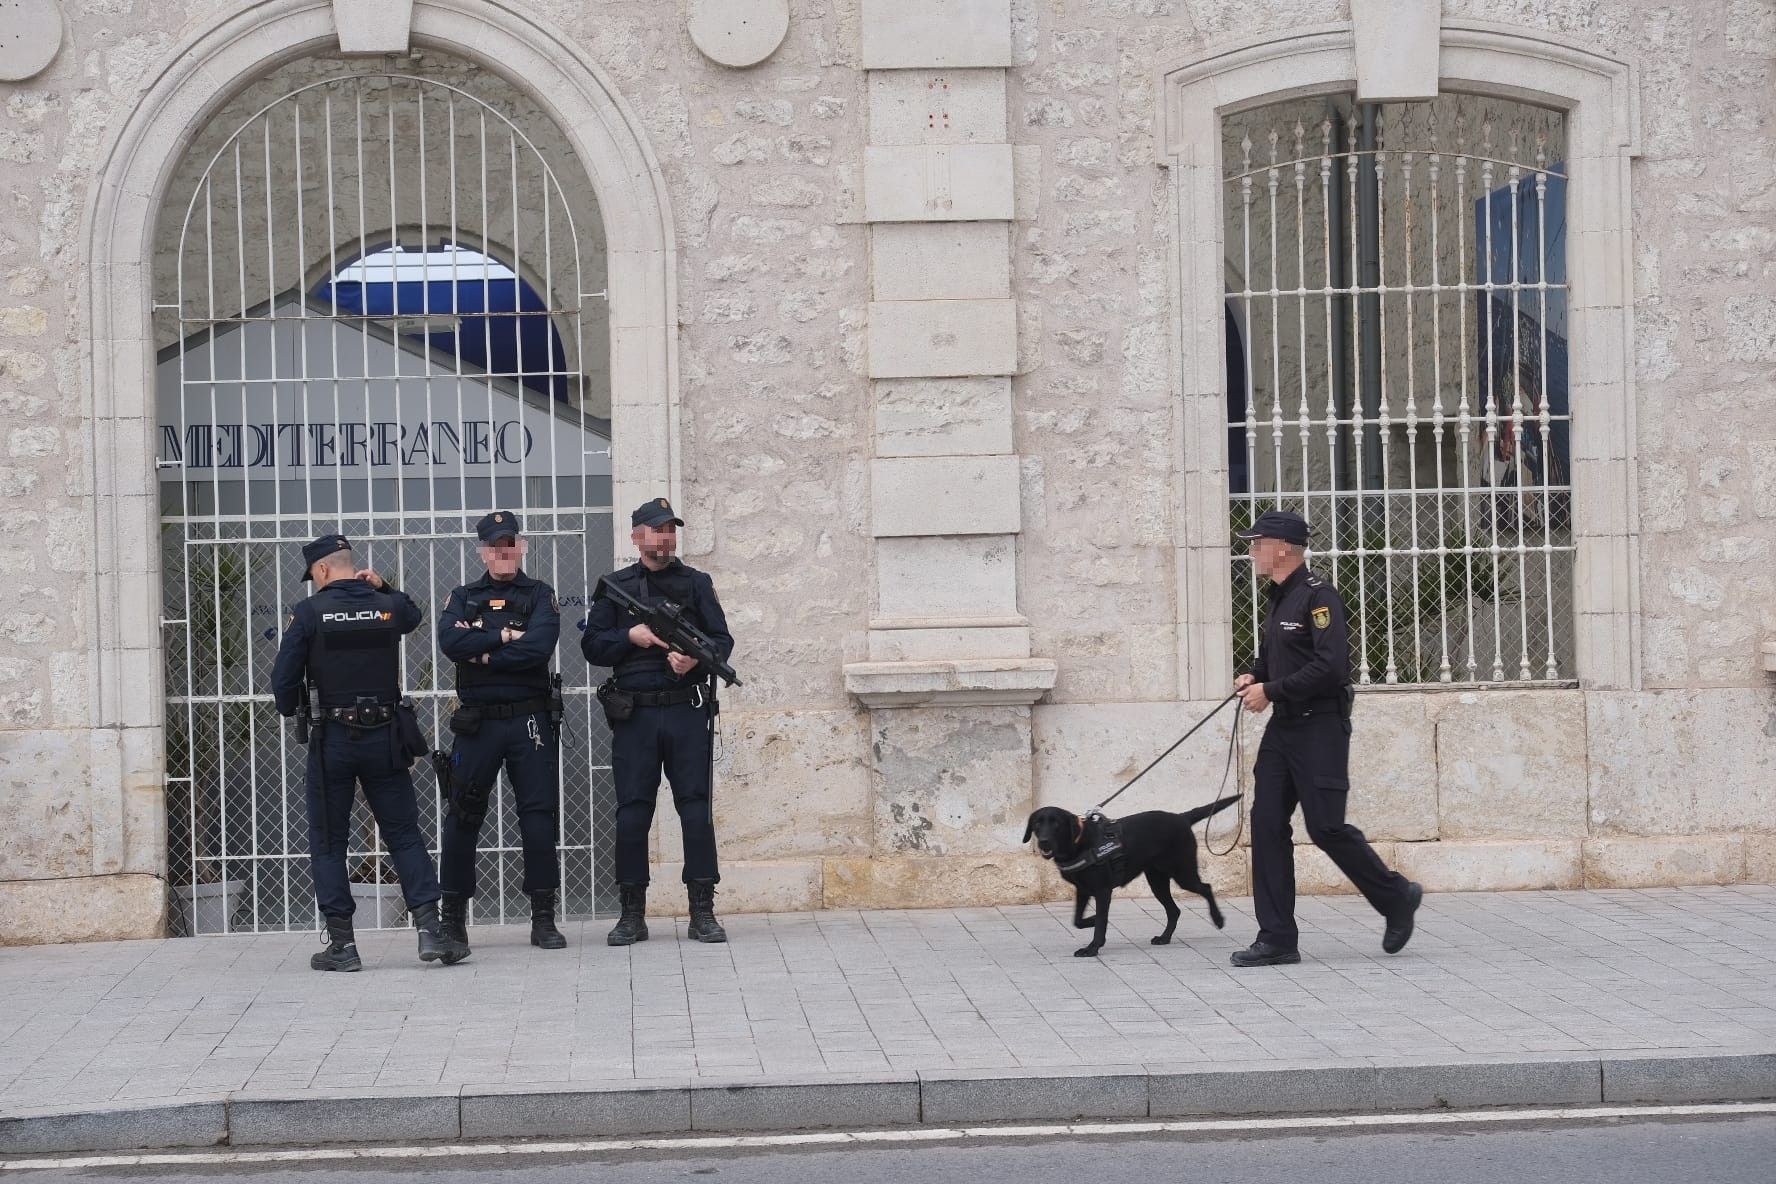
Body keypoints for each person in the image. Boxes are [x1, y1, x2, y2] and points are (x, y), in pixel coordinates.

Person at [1230, 509, 1423, 967]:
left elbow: (1330, 667)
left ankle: (1396, 897)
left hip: (1320, 727)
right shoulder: (1278, 599)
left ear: (1282, 548)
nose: (1252, 551)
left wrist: (1270, 690)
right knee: (1267, 823)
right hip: (1285, 729)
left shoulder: (1320, 598)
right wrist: (1254, 676)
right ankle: (1276, 937)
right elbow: (1275, 660)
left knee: (1326, 827)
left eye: (1257, 543)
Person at [271, 533, 467, 971]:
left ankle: (343, 945)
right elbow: (414, 615)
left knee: (328, 841)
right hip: (384, 736)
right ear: (350, 564)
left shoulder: (308, 612)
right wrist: (383, 587)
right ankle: (431, 933)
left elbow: (283, 683)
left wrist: (293, 709)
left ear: (322, 570)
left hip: (332, 741)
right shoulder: (387, 606)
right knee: (402, 834)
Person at [582, 497, 735, 946]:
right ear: (637, 537)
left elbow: (722, 641)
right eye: (656, 529)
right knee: (632, 814)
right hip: (636, 716)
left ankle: (702, 910)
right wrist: (631, 636)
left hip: (686, 710)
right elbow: (593, 646)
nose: (665, 537)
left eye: (670, 529)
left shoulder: (696, 583)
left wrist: (696, 664)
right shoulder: (616, 586)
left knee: (695, 810)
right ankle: (632, 912)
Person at [435, 511, 566, 955]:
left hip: (527, 718)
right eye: (494, 545)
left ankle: (543, 917)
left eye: (509, 543)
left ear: (522, 546)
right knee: (462, 814)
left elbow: (538, 649)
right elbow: (450, 644)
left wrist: (486, 650)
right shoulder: (463, 595)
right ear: (482, 551)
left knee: (537, 813)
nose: (502, 552)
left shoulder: (539, 594)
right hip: (478, 721)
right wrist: (507, 636)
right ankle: (452, 919)